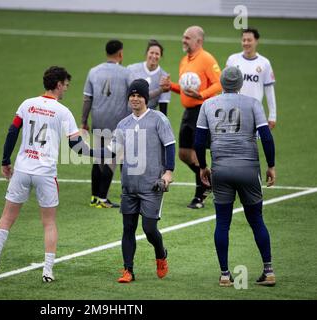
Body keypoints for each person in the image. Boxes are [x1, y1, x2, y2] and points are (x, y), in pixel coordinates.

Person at [0, 66, 100, 282]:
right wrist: (100, 154)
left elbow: (12, 132)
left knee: (7, 217)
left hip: (22, 169)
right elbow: (76, 146)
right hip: (45, 173)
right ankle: (47, 271)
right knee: (49, 222)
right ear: (58, 85)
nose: (65, 89)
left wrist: (5, 161)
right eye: (65, 85)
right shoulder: (63, 111)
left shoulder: (27, 104)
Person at [194, 66, 276, 287]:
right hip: (249, 169)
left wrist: (203, 167)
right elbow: (266, 137)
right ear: (240, 84)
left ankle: (224, 275)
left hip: (221, 169)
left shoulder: (208, 104)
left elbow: (199, 141)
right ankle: (268, 271)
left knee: (222, 223)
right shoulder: (252, 104)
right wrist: (271, 166)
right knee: (257, 220)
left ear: (221, 83)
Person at [112, 79, 176, 283]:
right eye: (132, 95)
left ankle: (160, 253)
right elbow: (112, 151)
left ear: (146, 98)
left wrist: (168, 172)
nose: (135, 98)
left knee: (149, 229)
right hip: (129, 186)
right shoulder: (123, 124)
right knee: (128, 228)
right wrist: (84, 149)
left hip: (152, 185)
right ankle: (128, 270)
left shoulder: (158, 119)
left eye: (139, 95)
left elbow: (170, 145)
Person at [169, 26, 222, 209]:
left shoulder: (207, 59)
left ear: (198, 41)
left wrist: (202, 95)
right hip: (188, 112)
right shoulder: (185, 60)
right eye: (183, 37)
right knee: (184, 154)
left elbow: (219, 83)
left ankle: (200, 194)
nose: (183, 40)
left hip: (203, 110)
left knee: (197, 153)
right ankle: (210, 180)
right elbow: (185, 90)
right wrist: (171, 86)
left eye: (187, 38)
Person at [81, 39, 133, 209]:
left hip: (98, 120)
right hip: (116, 122)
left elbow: (87, 98)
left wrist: (84, 121)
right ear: (120, 53)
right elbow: (133, 96)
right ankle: (103, 199)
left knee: (98, 158)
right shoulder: (126, 73)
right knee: (113, 158)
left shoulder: (93, 72)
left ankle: (94, 197)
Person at [226, 27, 277, 129]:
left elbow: (269, 90)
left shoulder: (264, 63)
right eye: (244, 40)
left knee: (250, 143)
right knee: (232, 143)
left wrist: (272, 115)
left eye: (249, 40)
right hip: (233, 111)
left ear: (256, 41)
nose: (246, 43)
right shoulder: (233, 60)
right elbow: (226, 86)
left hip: (254, 113)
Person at [127, 39, 171, 116]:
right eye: (151, 53)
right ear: (146, 53)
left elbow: (163, 110)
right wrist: (160, 90)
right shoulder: (131, 70)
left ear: (161, 56)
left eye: (157, 54)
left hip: (149, 118)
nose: (154, 56)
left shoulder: (164, 78)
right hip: (129, 115)